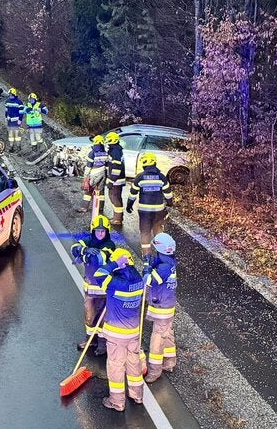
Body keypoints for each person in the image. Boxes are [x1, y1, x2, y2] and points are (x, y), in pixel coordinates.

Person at [94, 248, 145, 411]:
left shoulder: (114, 282)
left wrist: (114, 263)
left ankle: (117, 402)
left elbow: (99, 275)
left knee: (116, 366)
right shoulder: (139, 280)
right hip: (134, 332)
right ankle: (137, 395)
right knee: (133, 363)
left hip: (116, 334)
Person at [71, 215, 117, 356]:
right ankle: (90, 340)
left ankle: (102, 344)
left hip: (103, 291)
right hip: (90, 290)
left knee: (102, 318)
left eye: (103, 231)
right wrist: (84, 250)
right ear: (93, 231)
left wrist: (83, 254)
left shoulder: (110, 245)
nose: (101, 233)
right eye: (98, 231)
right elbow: (74, 248)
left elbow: (99, 258)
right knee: (89, 316)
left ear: (107, 232)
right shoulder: (88, 241)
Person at [144, 233, 178, 383]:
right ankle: (170, 361)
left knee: (157, 338)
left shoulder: (164, 267)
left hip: (162, 307)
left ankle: (155, 370)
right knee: (167, 333)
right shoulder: (169, 263)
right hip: (167, 306)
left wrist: (146, 268)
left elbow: (151, 280)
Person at [126, 153, 173, 256]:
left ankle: (146, 254)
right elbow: (168, 193)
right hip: (159, 211)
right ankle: (162, 252)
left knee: (145, 232)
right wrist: (170, 203)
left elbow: (133, 193)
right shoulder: (161, 177)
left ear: (144, 164)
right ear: (155, 163)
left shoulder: (140, 177)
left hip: (145, 212)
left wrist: (129, 205)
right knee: (158, 231)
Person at [77, 135, 109, 214]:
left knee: (88, 190)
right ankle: (100, 208)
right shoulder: (105, 152)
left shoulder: (92, 152)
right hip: (103, 173)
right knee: (101, 191)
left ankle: (84, 208)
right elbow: (107, 164)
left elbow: (89, 166)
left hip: (94, 173)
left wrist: (85, 177)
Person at [106, 132, 126, 226]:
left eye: (109, 140)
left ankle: (117, 219)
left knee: (115, 198)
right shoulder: (114, 149)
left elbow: (116, 168)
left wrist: (111, 180)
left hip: (116, 180)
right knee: (114, 197)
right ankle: (117, 217)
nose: (107, 142)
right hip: (116, 179)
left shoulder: (116, 151)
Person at [4, 88, 25, 153]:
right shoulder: (7, 101)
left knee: (17, 135)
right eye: (10, 94)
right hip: (10, 121)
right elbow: (6, 110)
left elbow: (21, 112)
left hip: (16, 122)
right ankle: (11, 147)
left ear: (14, 95)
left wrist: (20, 120)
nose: (10, 96)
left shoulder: (19, 102)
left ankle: (18, 147)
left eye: (12, 94)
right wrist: (5, 117)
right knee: (10, 135)